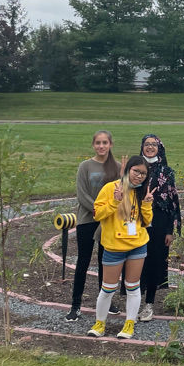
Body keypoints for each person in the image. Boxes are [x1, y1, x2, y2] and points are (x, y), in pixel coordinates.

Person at [87, 155, 154, 339]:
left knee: (133, 287)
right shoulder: (110, 188)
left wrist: (147, 204)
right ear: (128, 170)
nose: (139, 176)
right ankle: (100, 323)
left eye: (143, 173)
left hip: (137, 246)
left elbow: (146, 221)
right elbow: (97, 214)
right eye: (136, 171)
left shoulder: (142, 192)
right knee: (108, 288)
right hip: (114, 247)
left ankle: (129, 324)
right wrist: (115, 201)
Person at [66, 130, 121, 322]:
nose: (101, 146)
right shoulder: (85, 166)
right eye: (98, 143)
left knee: (105, 263)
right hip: (88, 220)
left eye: (105, 143)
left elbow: (120, 193)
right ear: (93, 145)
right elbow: (82, 195)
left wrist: (106, 213)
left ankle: (106, 302)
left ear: (110, 145)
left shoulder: (117, 167)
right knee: (83, 262)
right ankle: (75, 305)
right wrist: (99, 211)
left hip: (108, 223)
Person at [137, 134, 181, 323]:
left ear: (159, 148)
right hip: (137, 221)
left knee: (155, 261)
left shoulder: (167, 171)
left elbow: (172, 202)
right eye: (147, 144)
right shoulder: (136, 168)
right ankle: (135, 300)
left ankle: (149, 303)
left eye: (153, 145)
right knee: (137, 261)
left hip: (160, 222)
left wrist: (170, 230)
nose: (150, 148)